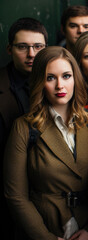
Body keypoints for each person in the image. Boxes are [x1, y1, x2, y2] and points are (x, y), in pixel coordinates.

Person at [3, 46, 88, 240]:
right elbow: (15, 195)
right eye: (50, 78)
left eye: (66, 76)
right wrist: (44, 237)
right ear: (39, 83)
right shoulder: (24, 128)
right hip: (46, 227)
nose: (60, 85)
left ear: (75, 78)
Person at [0, 17, 47, 240]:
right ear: (9, 49)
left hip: (49, 192)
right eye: (22, 47)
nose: (31, 54)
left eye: (38, 47)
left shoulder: (59, 84)